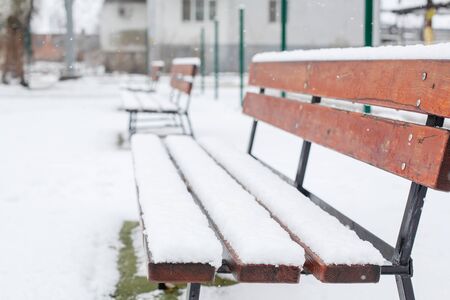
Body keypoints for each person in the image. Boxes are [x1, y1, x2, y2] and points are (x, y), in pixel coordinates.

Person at [2, 15, 27, 86]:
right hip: (10, 51)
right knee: (8, 63)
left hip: (16, 51)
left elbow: (19, 43)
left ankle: (21, 78)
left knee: (18, 63)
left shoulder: (17, 32)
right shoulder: (9, 32)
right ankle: (4, 77)